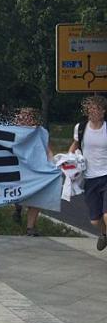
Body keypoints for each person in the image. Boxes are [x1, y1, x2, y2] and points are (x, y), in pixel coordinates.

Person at [69, 95, 107, 250]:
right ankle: (104, 234)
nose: (92, 112)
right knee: (95, 220)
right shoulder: (81, 127)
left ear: (103, 111)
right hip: (90, 178)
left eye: (96, 109)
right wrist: (69, 160)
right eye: (90, 109)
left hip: (106, 175)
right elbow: (75, 145)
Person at [15, 107, 55, 236]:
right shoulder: (14, 132)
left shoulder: (42, 132)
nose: (24, 118)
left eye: (28, 116)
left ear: (33, 118)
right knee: (19, 195)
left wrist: (53, 164)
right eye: (22, 116)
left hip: (37, 168)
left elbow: (48, 150)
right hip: (20, 168)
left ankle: (30, 227)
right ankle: (18, 207)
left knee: (36, 198)